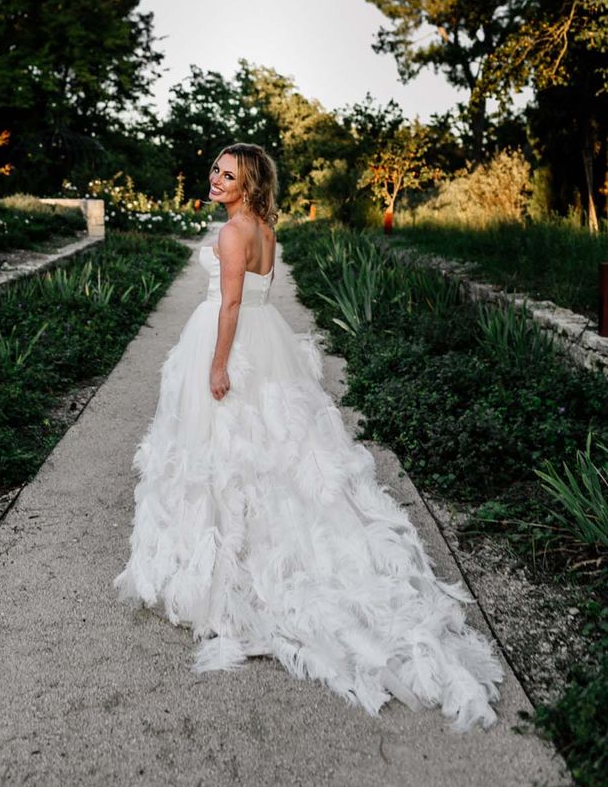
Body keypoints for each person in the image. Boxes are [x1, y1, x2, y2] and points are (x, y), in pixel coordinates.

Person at [114, 142, 503, 731]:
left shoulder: (231, 235)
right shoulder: (265, 228)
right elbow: (259, 297)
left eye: (228, 174)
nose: (216, 179)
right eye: (215, 169)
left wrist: (218, 366)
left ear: (248, 183)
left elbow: (231, 305)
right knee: (277, 450)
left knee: (226, 448)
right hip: (268, 340)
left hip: (235, 342)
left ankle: (228, 560)